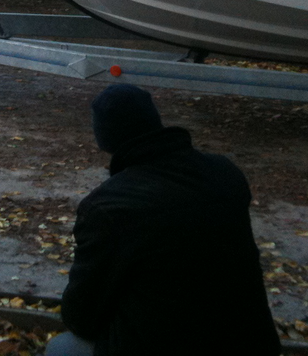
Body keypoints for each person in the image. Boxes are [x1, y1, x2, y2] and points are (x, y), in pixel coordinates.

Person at [46, 84, 281, 356]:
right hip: (252, 343)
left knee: (60, 348)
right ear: (154, 120)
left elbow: (80, 316)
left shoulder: (108, 207)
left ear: (103, 139)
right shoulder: (226, 173)